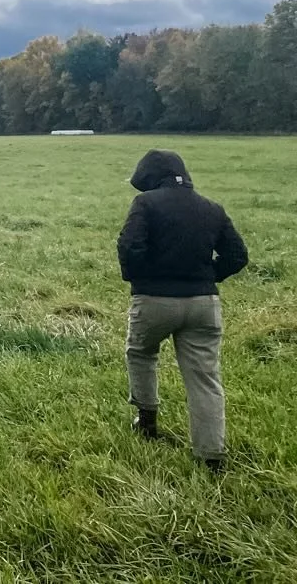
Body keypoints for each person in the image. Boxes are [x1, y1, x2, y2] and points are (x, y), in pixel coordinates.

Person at [118, 149, 249, 472]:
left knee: (142, 354)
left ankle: (146, 420)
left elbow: (128, 246)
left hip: (153, 300)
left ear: (150, 178)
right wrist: (208, 277)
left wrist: (141, 278)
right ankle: (211, 456)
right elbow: (238, 255)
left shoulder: (146, 204)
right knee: (204, 379)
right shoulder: (211, 209)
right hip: (204, 304)